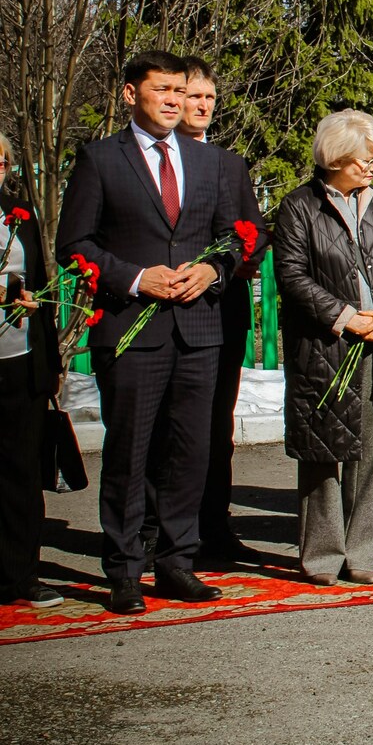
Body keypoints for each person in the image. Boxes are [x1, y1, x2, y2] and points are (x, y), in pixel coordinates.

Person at [56, 50, 243, 614]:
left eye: (180, 90)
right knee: (130, 453)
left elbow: (236, 236)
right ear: (130, 93)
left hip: (199, 329)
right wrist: (137, 279)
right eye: (162, 89)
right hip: (131, 329)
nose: (174, 100)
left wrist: (213, 271)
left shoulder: (210, 162)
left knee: (190, 451)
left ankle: (177, 561)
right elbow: (74, 245)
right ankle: (124, 568)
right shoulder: (100, 160)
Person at [273, 111, 373, 584]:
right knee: (322, 451)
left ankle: (364, 553)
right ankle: (322, 556)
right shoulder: (299, 206)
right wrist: (345, 317)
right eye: (366, 160)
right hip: (324, 345)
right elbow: (292, 276)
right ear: (336, 157)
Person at [139, 57, 268, 567]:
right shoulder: (140, 159)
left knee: (214, 427)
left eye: (210, 98)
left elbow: (253, 233)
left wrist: (226, 266)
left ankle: (213, 526)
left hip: (219, 310)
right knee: (158, 427)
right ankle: (152, 530)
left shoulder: (227, 164)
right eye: (194, 96)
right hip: (156, 309)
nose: (202, 105)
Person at [0, 132, 65, 608]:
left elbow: (39, 282)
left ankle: (20, 574)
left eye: (1, 162)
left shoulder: (19, 215)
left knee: (21, 470)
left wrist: (51, 359)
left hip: (19, 358)